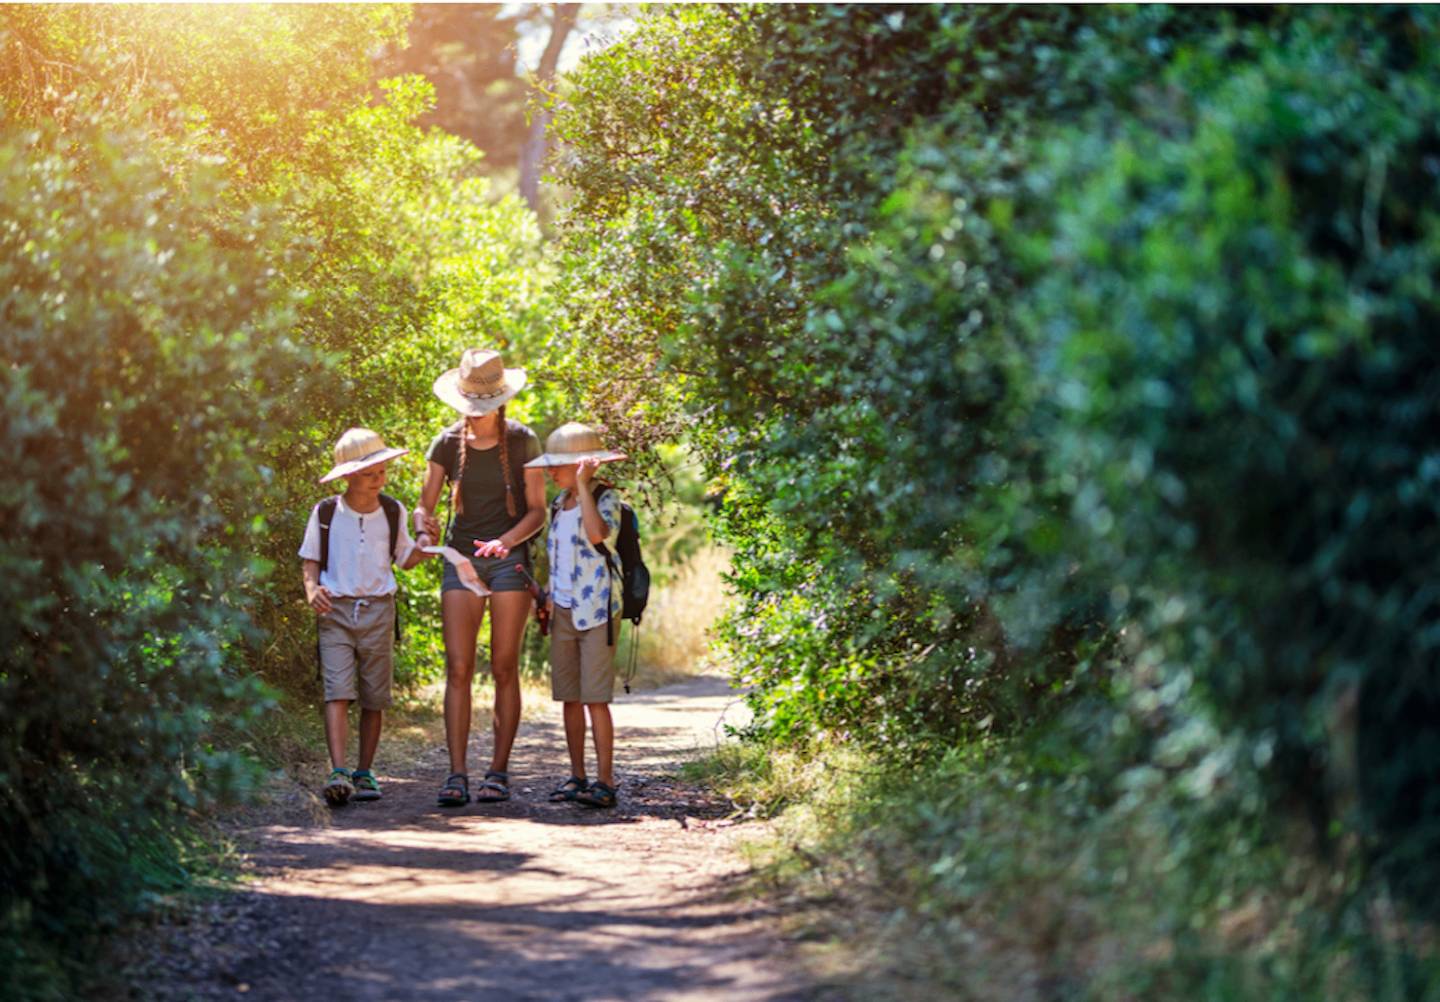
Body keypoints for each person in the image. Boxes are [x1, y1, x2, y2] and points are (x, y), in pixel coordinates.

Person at [416, 349, 545, 806]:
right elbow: (424, 505)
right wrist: (421, 526)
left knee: (505, 666)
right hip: (460, 562)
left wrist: (506, 543)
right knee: (459, 668)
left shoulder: (524, 440)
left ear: (501, 398)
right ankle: (456, 774)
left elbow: (537, 511)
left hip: (509, 562)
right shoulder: (446, 443)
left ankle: (498, 770)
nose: (478, 411)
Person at [299, 428, 431, 806]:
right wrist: (312, 590)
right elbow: (310, 561)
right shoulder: (326, 512)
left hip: (379, 610)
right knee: (336, 691)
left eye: (382, 471)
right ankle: (338, 770)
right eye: (371, 473)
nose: (380, 479)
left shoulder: (393, 510)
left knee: (375, 696)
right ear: (348, 476)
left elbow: (404, 560)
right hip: (335, 611)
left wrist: (426, 547)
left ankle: (364, 771)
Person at [525, 423, 628, 809]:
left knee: (595, 699)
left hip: (598, 610)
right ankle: (577, 775)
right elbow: (559, 559)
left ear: (583, 466)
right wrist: (549, 597)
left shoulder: (606, 499)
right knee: (569, 698)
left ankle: (605, 780)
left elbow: (599, 535)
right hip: (564, 610)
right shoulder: (556, 505)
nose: (552, 473)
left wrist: (585, 486)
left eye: (560, 466)